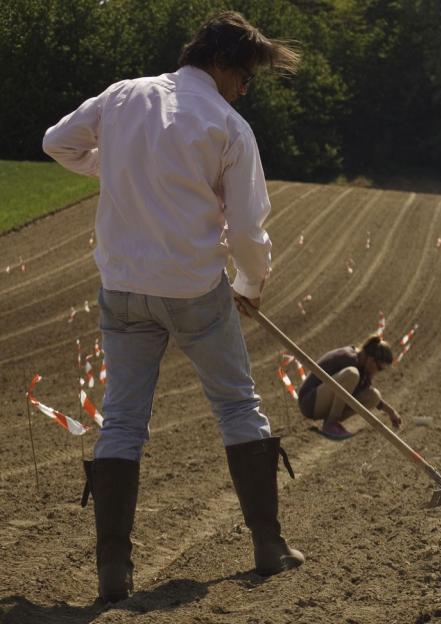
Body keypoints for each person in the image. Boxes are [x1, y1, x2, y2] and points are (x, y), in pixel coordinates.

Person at [42, 11, 303, 603]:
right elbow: (245, 230)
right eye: (245, 76)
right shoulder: (228, 126)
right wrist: (251, 284)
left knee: (124, 419)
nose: (246, 88)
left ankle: (113, 570)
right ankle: (269, 545)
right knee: (238, 406)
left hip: (123, 288)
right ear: (221, 64)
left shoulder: (122, 96)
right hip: (193, 291)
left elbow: (56, 143)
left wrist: (109, 167)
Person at [297, 335, 402, 439]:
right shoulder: (349, 359)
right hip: (309, 402)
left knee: (374, 396)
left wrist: (390, 412)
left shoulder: (362, 365)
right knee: (352, 374)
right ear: (371, 360)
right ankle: (331, 423)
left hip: (322, 401)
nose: (378, 372)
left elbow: (368, 393)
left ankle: (331, 422)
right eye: (379, 368)